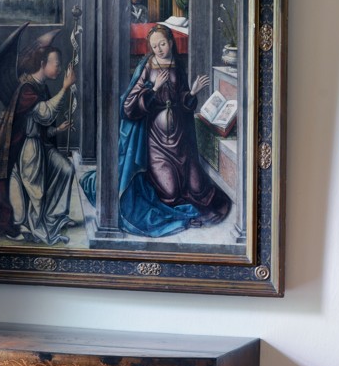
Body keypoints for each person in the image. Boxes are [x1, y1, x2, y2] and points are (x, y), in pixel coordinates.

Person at [82, 24, 230, 236]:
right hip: (156, 142)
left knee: (198, 190)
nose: (159, 49)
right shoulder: (147, 66)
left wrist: (193, 92)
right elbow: (129, 106)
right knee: (169, 192)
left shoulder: (177, 64)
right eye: (154, 46)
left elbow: (183, 101)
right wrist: (154, 88)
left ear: (170, 42)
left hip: (181, 142)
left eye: (162, 44)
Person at [0, 46, 76, 244]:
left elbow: (42, 127)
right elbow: (45, 114)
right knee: (36, 189)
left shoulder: (41, 87)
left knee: (66, 169)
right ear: (42, 63)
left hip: (40, 144)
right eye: (57, 65)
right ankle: (39, 228)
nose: (59, 70)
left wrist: (57, 130)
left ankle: (54, 217)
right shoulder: (26, 89)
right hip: (26, 148)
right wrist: (65, 88)